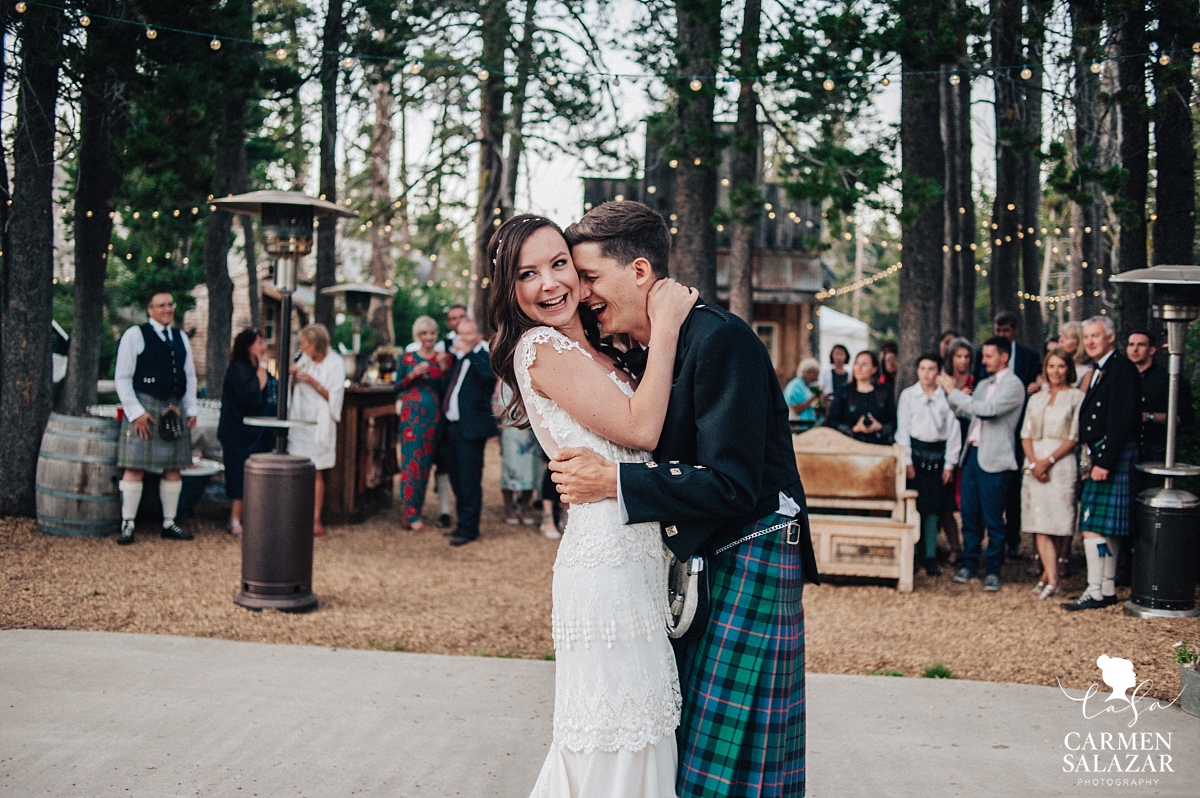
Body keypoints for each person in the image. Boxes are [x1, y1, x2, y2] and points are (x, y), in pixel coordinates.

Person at [550, 201, 819, 798]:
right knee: (701, 749)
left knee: (732, 764)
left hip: (753, 553)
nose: (581, 292)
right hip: (705, 557)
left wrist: (615, 484)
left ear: (640, 271)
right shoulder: (649, 351)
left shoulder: (722, 340)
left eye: (590, 277)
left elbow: (734, 484)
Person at [485, 211, 697, 796]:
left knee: (643, 723)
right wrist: (668, 323)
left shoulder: (604, 350)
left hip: (639, 554)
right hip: (603, 561)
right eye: (528, 274)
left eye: (560, 266)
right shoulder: (540, 348)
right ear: (510, 288)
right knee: (615, 730)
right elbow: (641, 427)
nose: (550, 284)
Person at [1062, 316, 1143, 611]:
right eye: (1087, 337)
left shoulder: (1120, 370)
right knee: (1105, 529)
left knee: (1093, 527)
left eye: (1096, 336)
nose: (1091, 341)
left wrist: (1105, 460)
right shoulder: (1100, 370)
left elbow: (1121, 419)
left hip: (1111, 455)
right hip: (1100, 454)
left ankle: (1095, 590)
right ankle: (1105, 588)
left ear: (1110, 337)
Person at [939, 337, 1026, 592]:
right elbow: (969, 413)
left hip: (995, 459)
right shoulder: (984, 383)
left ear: (1004, 357)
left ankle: (994, 570)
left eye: (988, 356)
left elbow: (988, 411)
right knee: (969, 515)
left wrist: (953, 393)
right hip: (972, 456)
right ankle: (969, 564)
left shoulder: (1014, 385)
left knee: (994, 519)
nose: (983, 360)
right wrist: (954, 400)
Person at [113, 291, 199, 545]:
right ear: (150, 309)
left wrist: (191, 408)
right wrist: (136, 412)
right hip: (145, 408)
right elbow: (123, 377)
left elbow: (190, 376)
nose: (167, 309)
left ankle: (169, 523)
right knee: (134, 466)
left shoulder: (180, 336)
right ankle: (128, 524)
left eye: (171, 304)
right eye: (161, 305)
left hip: (174, 408)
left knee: (173, 467)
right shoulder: (135, 335)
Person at [972, 311, 1040, 561]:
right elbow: (980, 396)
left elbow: (1035, 383)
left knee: (1011, 493)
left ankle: (1012, 542)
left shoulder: (1028, 358)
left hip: (1016, 428)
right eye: (998, 330)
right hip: (985, 437)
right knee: (980, 500)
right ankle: (977, 551)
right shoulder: (984, 363)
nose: (1001, 334)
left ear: (1015, 331)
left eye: (1006, 330)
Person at [1020, 350, 1084, 600]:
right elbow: (1025, 433)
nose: (1055, 371)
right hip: (1034, 460)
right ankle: (1051, 578)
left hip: (1061, 462)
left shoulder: (1077, 397)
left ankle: (1048, 578)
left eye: (1061, 366)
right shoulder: (1036, 398)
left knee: (1058, 523)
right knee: (1040, 525)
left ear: (1068, 369)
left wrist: (1048, 461)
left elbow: (1074, 436)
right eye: (1051, 366)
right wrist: (1035, 463)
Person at [896, 353, 962, 576]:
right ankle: (913, 555)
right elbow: (903, 429)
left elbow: (953, 432)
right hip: (915, 455)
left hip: (937, 456)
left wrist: (949, 464)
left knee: (933, 509)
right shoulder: (909, 395)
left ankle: (931, 556)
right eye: (922, 368)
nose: (926, 373)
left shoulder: (947, 397)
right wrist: (906, 460)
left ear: (939, 372)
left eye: (931, 369)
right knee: (913, 506)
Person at [442, 317, 499, 547]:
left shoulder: (483, 356)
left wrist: (469, 352)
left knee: (470, 481)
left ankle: (469, 528)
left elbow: (489, 375)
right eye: (459, 334)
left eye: (467, 334)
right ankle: (461, 522)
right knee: (456, 479)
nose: (461, 339)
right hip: (453, 428)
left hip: (471, 430)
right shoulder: (458, 358)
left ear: (477, 335)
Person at [288, 324, 346, 537]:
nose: (302, 347)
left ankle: (315, 518)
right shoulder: (304, 359)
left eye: (305, 343)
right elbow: (294, 390)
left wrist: (312, 381)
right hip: (300, 420)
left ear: (315, 345)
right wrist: (294, 377)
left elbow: (335, 397)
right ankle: (294, 516)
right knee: (296, 469)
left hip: (319, 423)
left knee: (316, 471)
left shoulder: (335, 362)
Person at [217, 328, 276, 537]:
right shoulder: (237, 369)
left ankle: (257, 517)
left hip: (260, 432)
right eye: (259, 343)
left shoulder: (261, 369)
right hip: (239, 433)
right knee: (239, 476)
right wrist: (261, 367)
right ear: (248, 346)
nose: (264, 347)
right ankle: (235, 519)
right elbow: (252, 392)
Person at [395, 316, 452, 531]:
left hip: (433, 417)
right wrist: (411, 375)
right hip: (411, 416)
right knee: (411, 463)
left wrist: (445, 369)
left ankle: (417, 509)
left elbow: (447, 389)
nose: (428, 337)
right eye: (424, 334)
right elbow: (397, 386)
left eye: (432, 333)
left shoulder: (441, 358)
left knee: (425, 464)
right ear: (418, 336)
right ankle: (408, 514)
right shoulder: (408, 358)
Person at [824, 350, 896, 445]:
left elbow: (894, 422)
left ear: (874, 369)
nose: (859, 368)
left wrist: (880, 427)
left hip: (878, 447)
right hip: (849, 447)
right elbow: (831, 421)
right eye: (856, 363)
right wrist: (853, 429)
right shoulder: (844, 391)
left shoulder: (885, 391)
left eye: (865, 364)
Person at [495, 380, 541, 525]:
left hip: (534, 433)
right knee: (511, 471)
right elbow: (503, 407)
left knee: (531, 471)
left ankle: (524, 507)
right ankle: (509, 508)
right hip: (513, 432)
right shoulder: (506, 382)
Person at [784, 356, 822, 431]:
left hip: (808, 425)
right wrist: (813, 398)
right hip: (797, 426)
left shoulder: (808, 386)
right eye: (815, 374)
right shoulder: (795, 386)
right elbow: (795, 409)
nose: (817, 377)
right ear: (808, 372)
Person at [1058, 321, 1094, 389]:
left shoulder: (1086, 371)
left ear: (1078, 343)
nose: (1060, 341)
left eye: (1066, 337)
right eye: (1060, 337)